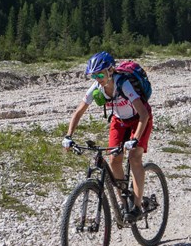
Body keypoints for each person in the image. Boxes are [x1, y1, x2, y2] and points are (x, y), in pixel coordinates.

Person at [62, 51, 153, 221]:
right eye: (94, 75)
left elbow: (143, 114)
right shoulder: (97, 87)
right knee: (113, 159)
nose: (97, 78)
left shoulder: (124, 84)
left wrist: (134, 140)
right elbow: (78, 112)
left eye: (100, 74)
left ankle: (138, 207)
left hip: (140, 120)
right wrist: (68, 136)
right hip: (119, 121)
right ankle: (124, 203)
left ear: (110, 70)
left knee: (134, 157)